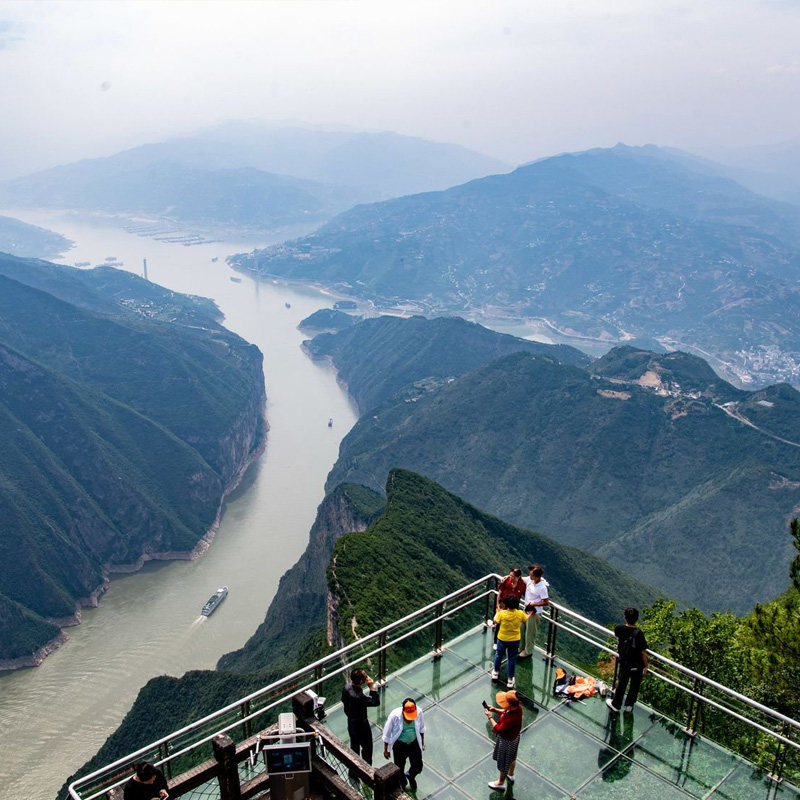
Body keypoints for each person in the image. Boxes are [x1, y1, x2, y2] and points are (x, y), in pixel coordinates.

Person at [606, 607, 649, 713]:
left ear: (625, 617)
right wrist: (646, 666)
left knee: (622, 684)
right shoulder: (639, 633)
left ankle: (616, 705)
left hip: (625, 663)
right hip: (637, 664)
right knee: (634, 685)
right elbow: (643, 652)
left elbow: (618, 636)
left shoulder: (619, 629)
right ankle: (629, 706)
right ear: (637, 619)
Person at [382, 698, 425, 792]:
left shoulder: (419, 712)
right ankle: (403, 783)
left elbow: (421, 728)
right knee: (399, 767)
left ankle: (410, 775)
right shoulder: (394, 716)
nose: (410, 720)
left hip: (414, 743)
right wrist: (386, 750)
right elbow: (387, 734)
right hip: (400, 745)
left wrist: (422, 743)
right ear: (403, 710)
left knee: (418, 765)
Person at [484, 690, 523, 791]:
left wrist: (490, 717)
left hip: (506, 742)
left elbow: (498, 728)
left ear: (511, 704)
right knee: (512, 757)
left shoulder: (511, 719)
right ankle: (511, 774)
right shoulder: (518, 708)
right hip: (514, 739)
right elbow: (506, 711)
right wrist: (495, 710)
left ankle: (500, 783)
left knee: (504, 762)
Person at [341, 668, 380, 765]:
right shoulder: (359, 697)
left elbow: (343, 700)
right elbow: (375, 702)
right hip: (361, 725)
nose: (367, 678)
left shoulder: (346, 687)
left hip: (351, 722)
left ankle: (353, 771)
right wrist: (371, 687)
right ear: (361, 681)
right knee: (367, 748)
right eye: (366, 677)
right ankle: (367, 770)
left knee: (354, 747)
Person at [492, 595, 527, 689]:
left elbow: (495, 621)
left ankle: (495, 673)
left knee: (498, 655)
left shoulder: (502, 614)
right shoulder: (520, 613)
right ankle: (510, 680)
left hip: (502, 638)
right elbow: (525, 620)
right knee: (512, 658)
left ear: (506, 604)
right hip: (514, 639)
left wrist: (497, 611)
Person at [518, 564, 549, 659]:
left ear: (536, 576)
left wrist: (534, 604)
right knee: (521, 629)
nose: (529, 576)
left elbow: (546, 602)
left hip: (534, 613)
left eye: (531, 575)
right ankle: (521, 647)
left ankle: (528, 651)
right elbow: (520, 578)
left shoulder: (542, 587)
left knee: (530, 633)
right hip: (526, 609)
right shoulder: (530, 581)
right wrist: (507, 577)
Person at [493, 567, 525, 651]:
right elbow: (499, 593)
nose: (511, 577)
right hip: (503, 605)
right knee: (499, 624)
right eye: (510, 575)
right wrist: (498, 605)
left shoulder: (522, 584)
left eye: (513, 576)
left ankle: (509, 642)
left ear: (518, 577)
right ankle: (496, 642)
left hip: (514, 607)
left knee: (513, 624)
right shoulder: (506, 581)